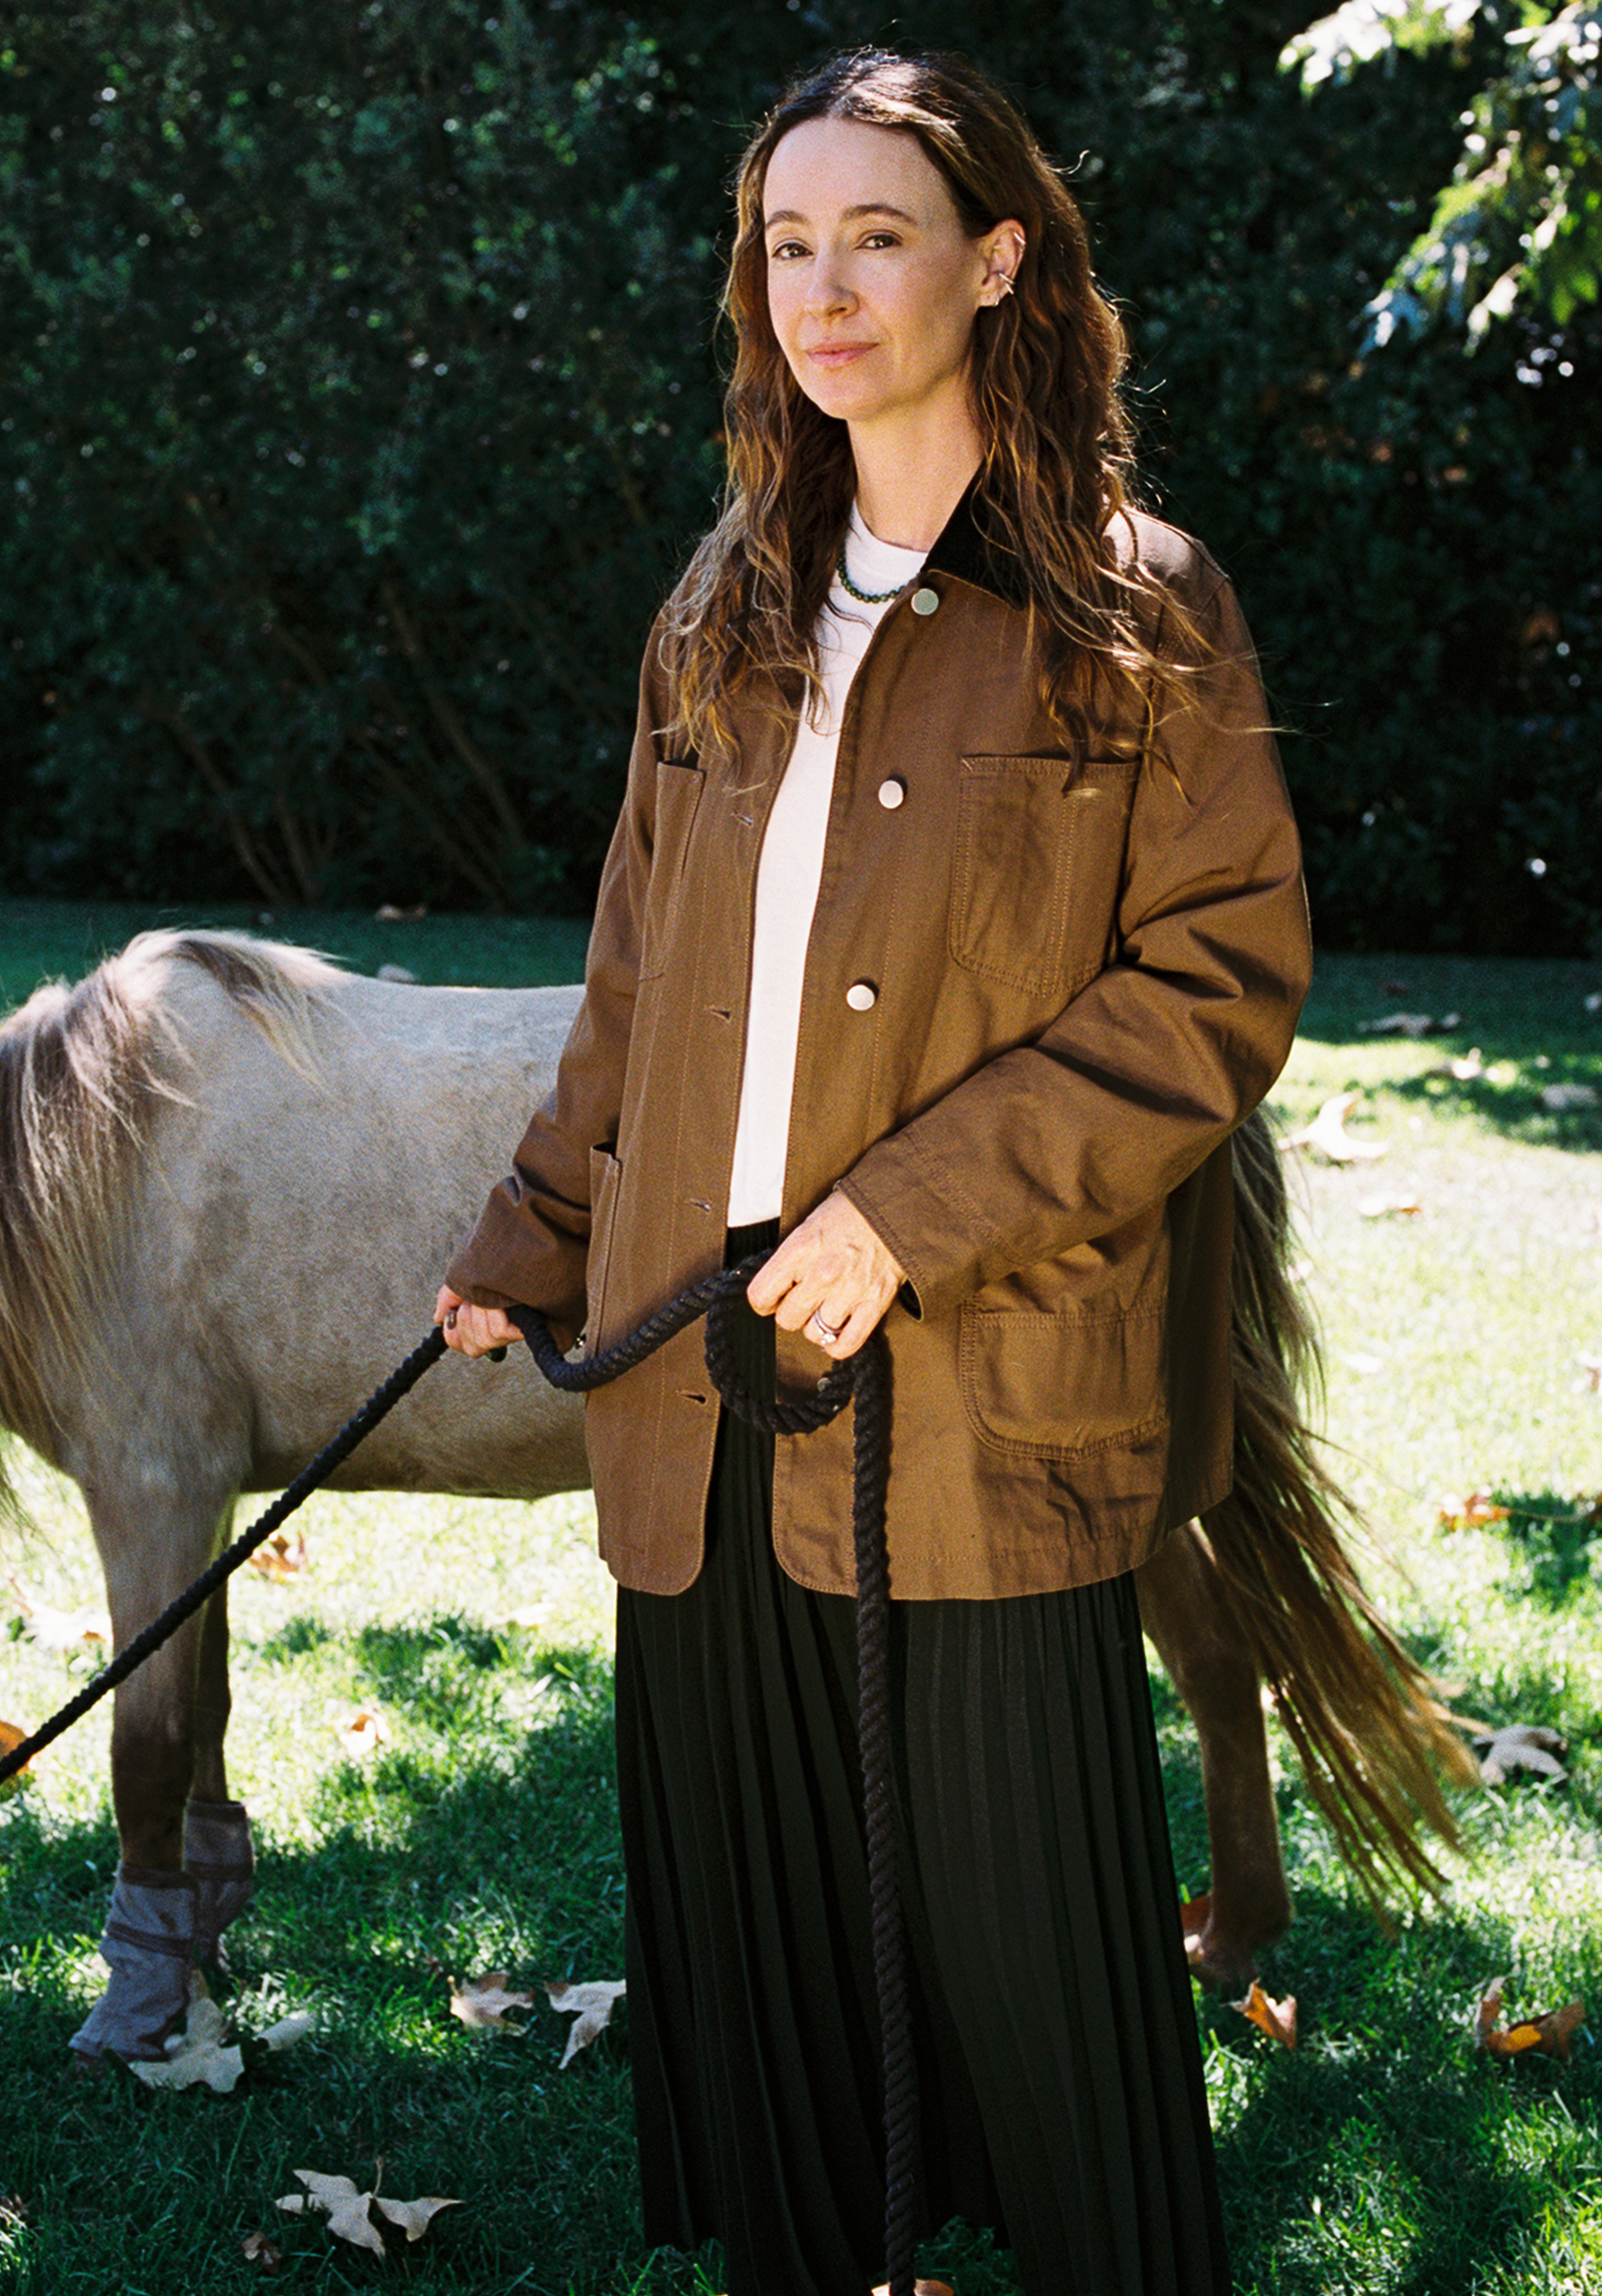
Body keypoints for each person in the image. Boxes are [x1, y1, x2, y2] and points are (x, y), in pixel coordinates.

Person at [437, 45, 1309, 2296]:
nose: (819, 293)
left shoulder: (1138, 606)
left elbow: (1214, 987)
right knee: (769, 1984)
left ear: (996, 262)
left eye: (877, 238)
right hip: (698, 1392)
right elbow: (634, 971)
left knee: (1042, 1970)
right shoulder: (720, 605)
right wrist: (538, 1230)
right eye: (785, 244)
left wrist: (908, 1214)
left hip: (983, 1398)